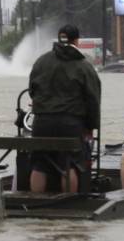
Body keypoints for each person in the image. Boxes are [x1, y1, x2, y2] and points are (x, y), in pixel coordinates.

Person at [27, 24, 101, 193]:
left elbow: (32, 90)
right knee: (70, 163)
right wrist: (91, 127)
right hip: (70, 123)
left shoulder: (41, 61)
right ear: (77, 40)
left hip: (41, 122)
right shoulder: (84, 66)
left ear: (59, 38)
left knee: (39, 163)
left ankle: (34, 199)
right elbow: (93, 100)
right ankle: (69, 203)